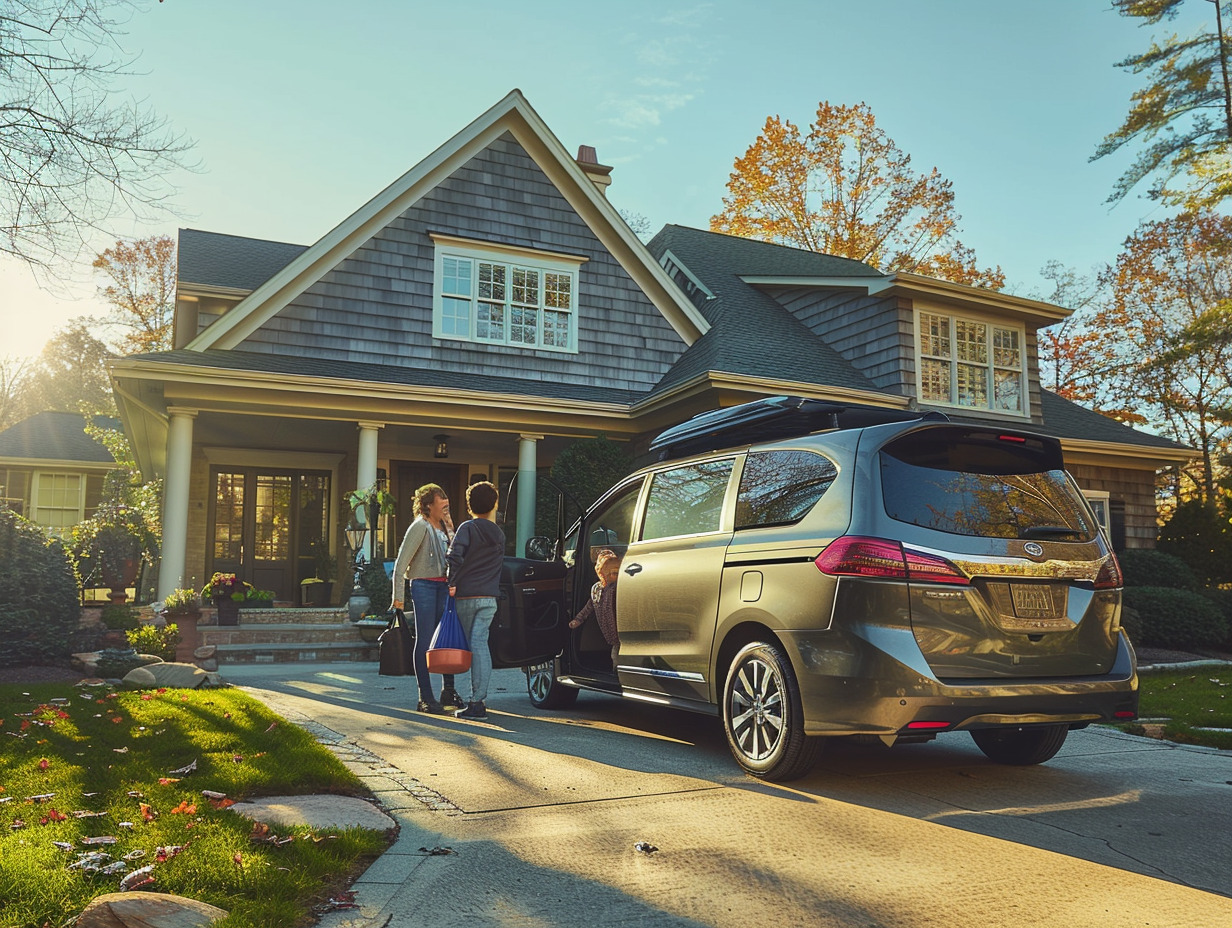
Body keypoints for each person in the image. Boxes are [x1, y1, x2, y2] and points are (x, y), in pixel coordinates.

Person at [391, 483, 462, 714]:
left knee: (446, 639)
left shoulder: (443, 526)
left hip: (444, 587)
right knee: (425, 640)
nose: (445, 509)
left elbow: (454, 555)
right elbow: (401, 564)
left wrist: (451, 527)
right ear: (428, 505)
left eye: (447, 506)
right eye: (442, 506)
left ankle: (448, 691)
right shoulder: (419, 526)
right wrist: (398, 598)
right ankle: (425, 698)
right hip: (423, 586)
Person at [445, 480, 504, 720]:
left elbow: (454, 557)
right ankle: (478, 700)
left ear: (469, 506)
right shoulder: (498, 533)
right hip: (490, 598)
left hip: (467, 595)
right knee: (481, 645)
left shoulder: (467, 528)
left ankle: (467, 700)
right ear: (494, 505)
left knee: (468, 645)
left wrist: (451, 583)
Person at [569, 548, 621, 668]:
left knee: (617, 654)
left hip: (622, 631)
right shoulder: (597, 589)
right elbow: (589, 606)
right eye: (611, 572)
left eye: (617, 572)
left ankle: (617, 672)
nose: (614, 576)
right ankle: (616, 671)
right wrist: (578, 619)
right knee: (615, 652)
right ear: (601, 572)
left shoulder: (618, 587)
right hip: (611, 633)